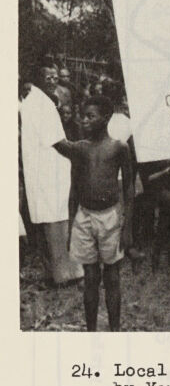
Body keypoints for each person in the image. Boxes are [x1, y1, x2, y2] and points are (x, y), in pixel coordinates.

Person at [53, 96, 134, 330]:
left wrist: (127, 226)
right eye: (83, 115)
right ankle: (91, 332)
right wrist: (71, 225)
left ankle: (115, 330)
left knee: (112, 277)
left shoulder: (119, 147)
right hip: (84, 217)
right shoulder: (80, 149)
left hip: (110, 217)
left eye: (91, 116)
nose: (84, 120)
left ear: (106, 118)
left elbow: (128, 186)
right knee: (90, 278)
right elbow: (73, 189)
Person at [18, 62, 84, 285]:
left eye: (55, 77)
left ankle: (58, 272)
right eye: (48, 76)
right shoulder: (39, 104)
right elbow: (58, 142)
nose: (53, 80)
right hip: (47, 171)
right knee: (54, 223)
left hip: (48, 170)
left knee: (53, 222)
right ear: (38, 78)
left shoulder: (41, 101)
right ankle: (62, 275)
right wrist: (83, 151)